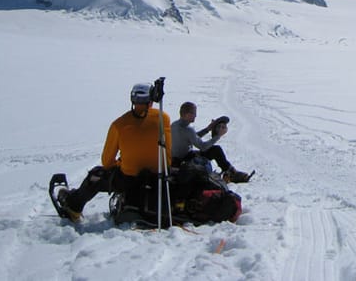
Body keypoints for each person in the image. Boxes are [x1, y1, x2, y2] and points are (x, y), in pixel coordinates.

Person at [55, 82, 172, 221]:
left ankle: (73, 207)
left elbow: (107, 161)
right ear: (152, 99)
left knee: (95, 176)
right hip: (159, 175)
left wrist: (121, 164)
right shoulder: (163, 118)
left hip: (129, 179)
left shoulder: (119, 125)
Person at [170, 101, 252, 183]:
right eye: (194, 113)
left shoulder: (174, 125)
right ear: (187, 114)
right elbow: (202, 146)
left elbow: (191, 137)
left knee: (212, 150)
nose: (195, 115)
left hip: (177, 159)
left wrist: (207, 129)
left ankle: (230, 172)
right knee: (216, 150)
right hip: (186, 159)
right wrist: (218, 136)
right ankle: (232, 173)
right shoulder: (188, 129)